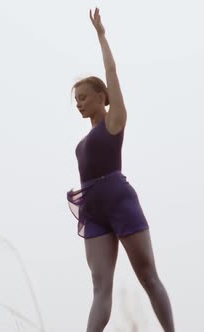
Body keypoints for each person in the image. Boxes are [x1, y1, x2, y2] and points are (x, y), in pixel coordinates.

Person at [66, 7, 175, 332]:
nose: (79, 103)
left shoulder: (114, 123)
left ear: (102, 97)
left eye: (84, 97)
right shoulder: (83, 140)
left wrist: (102, 36)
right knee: (100, 288)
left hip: (119, 199)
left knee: (148, 276)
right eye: (76, 100)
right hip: (93, 209)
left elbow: (111, 71)